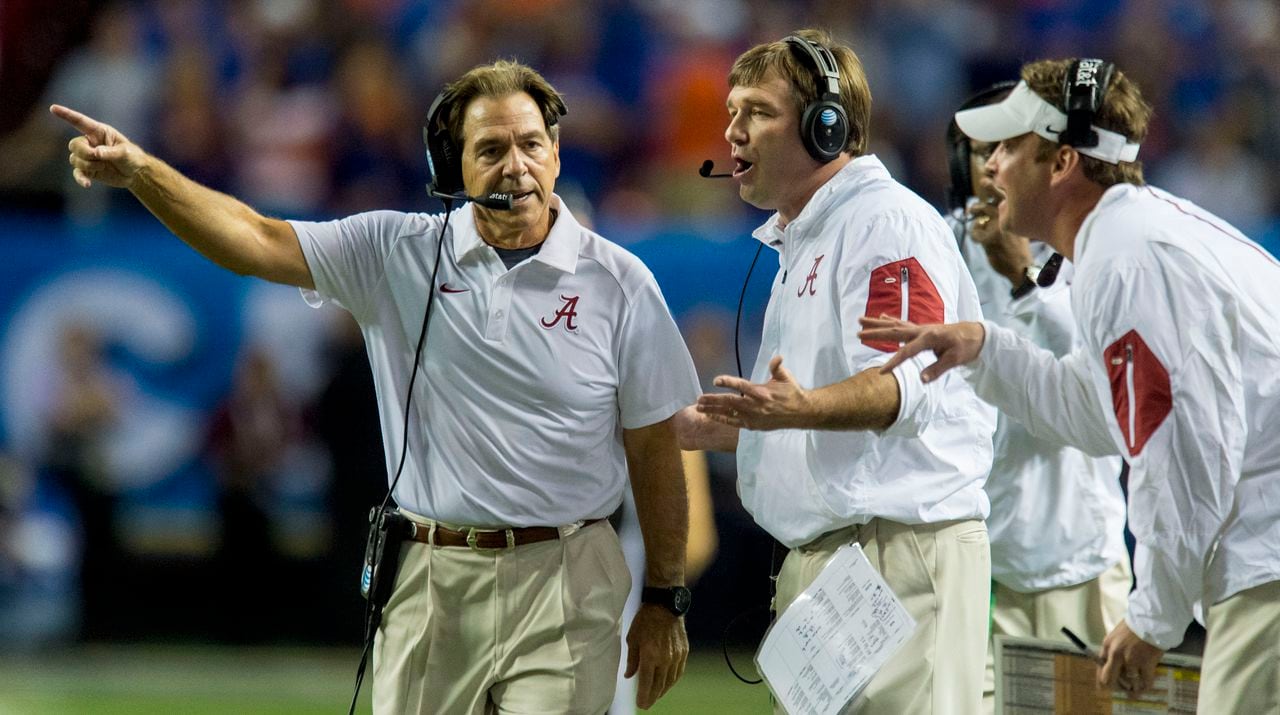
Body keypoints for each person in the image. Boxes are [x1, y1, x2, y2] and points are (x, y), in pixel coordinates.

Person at [52, 58, 701, 714]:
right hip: (430, 574)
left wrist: (664, 599)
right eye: (491, 149)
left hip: (568, 573)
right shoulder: (397, 252)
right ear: (454, 168)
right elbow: (253, 237)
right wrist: (142, 172)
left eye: (532, 144)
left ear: (557, 154)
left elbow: (655, 449)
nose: (517, 165)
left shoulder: (621, 282)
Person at [861, 58, 1280, 711]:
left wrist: (1151, 618)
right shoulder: (1127, 237)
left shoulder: (1128, 259)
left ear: (1061, 163)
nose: (991, 166)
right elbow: (1095, 412)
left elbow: (1182, 454)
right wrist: (983, 346)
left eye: (1007, 146)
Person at [676, 29, 996, 714]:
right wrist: (715, 427)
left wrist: (797, 408)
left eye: (756, 111)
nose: (732, 129)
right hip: (835, 562)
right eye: (731, 111)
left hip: (895, 555)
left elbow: (908, 382)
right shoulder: (809, 237)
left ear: (828, 127)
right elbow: (806, 411)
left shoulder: (884, 223)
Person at [945, 85, 1130, 712]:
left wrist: (1023, 279)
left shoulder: (1089, 245)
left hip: (1075, 553)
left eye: (1007, 148)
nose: (993, 165)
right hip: (973, 554)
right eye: (980, 151)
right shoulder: (939, 251)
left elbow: (1097, 379)